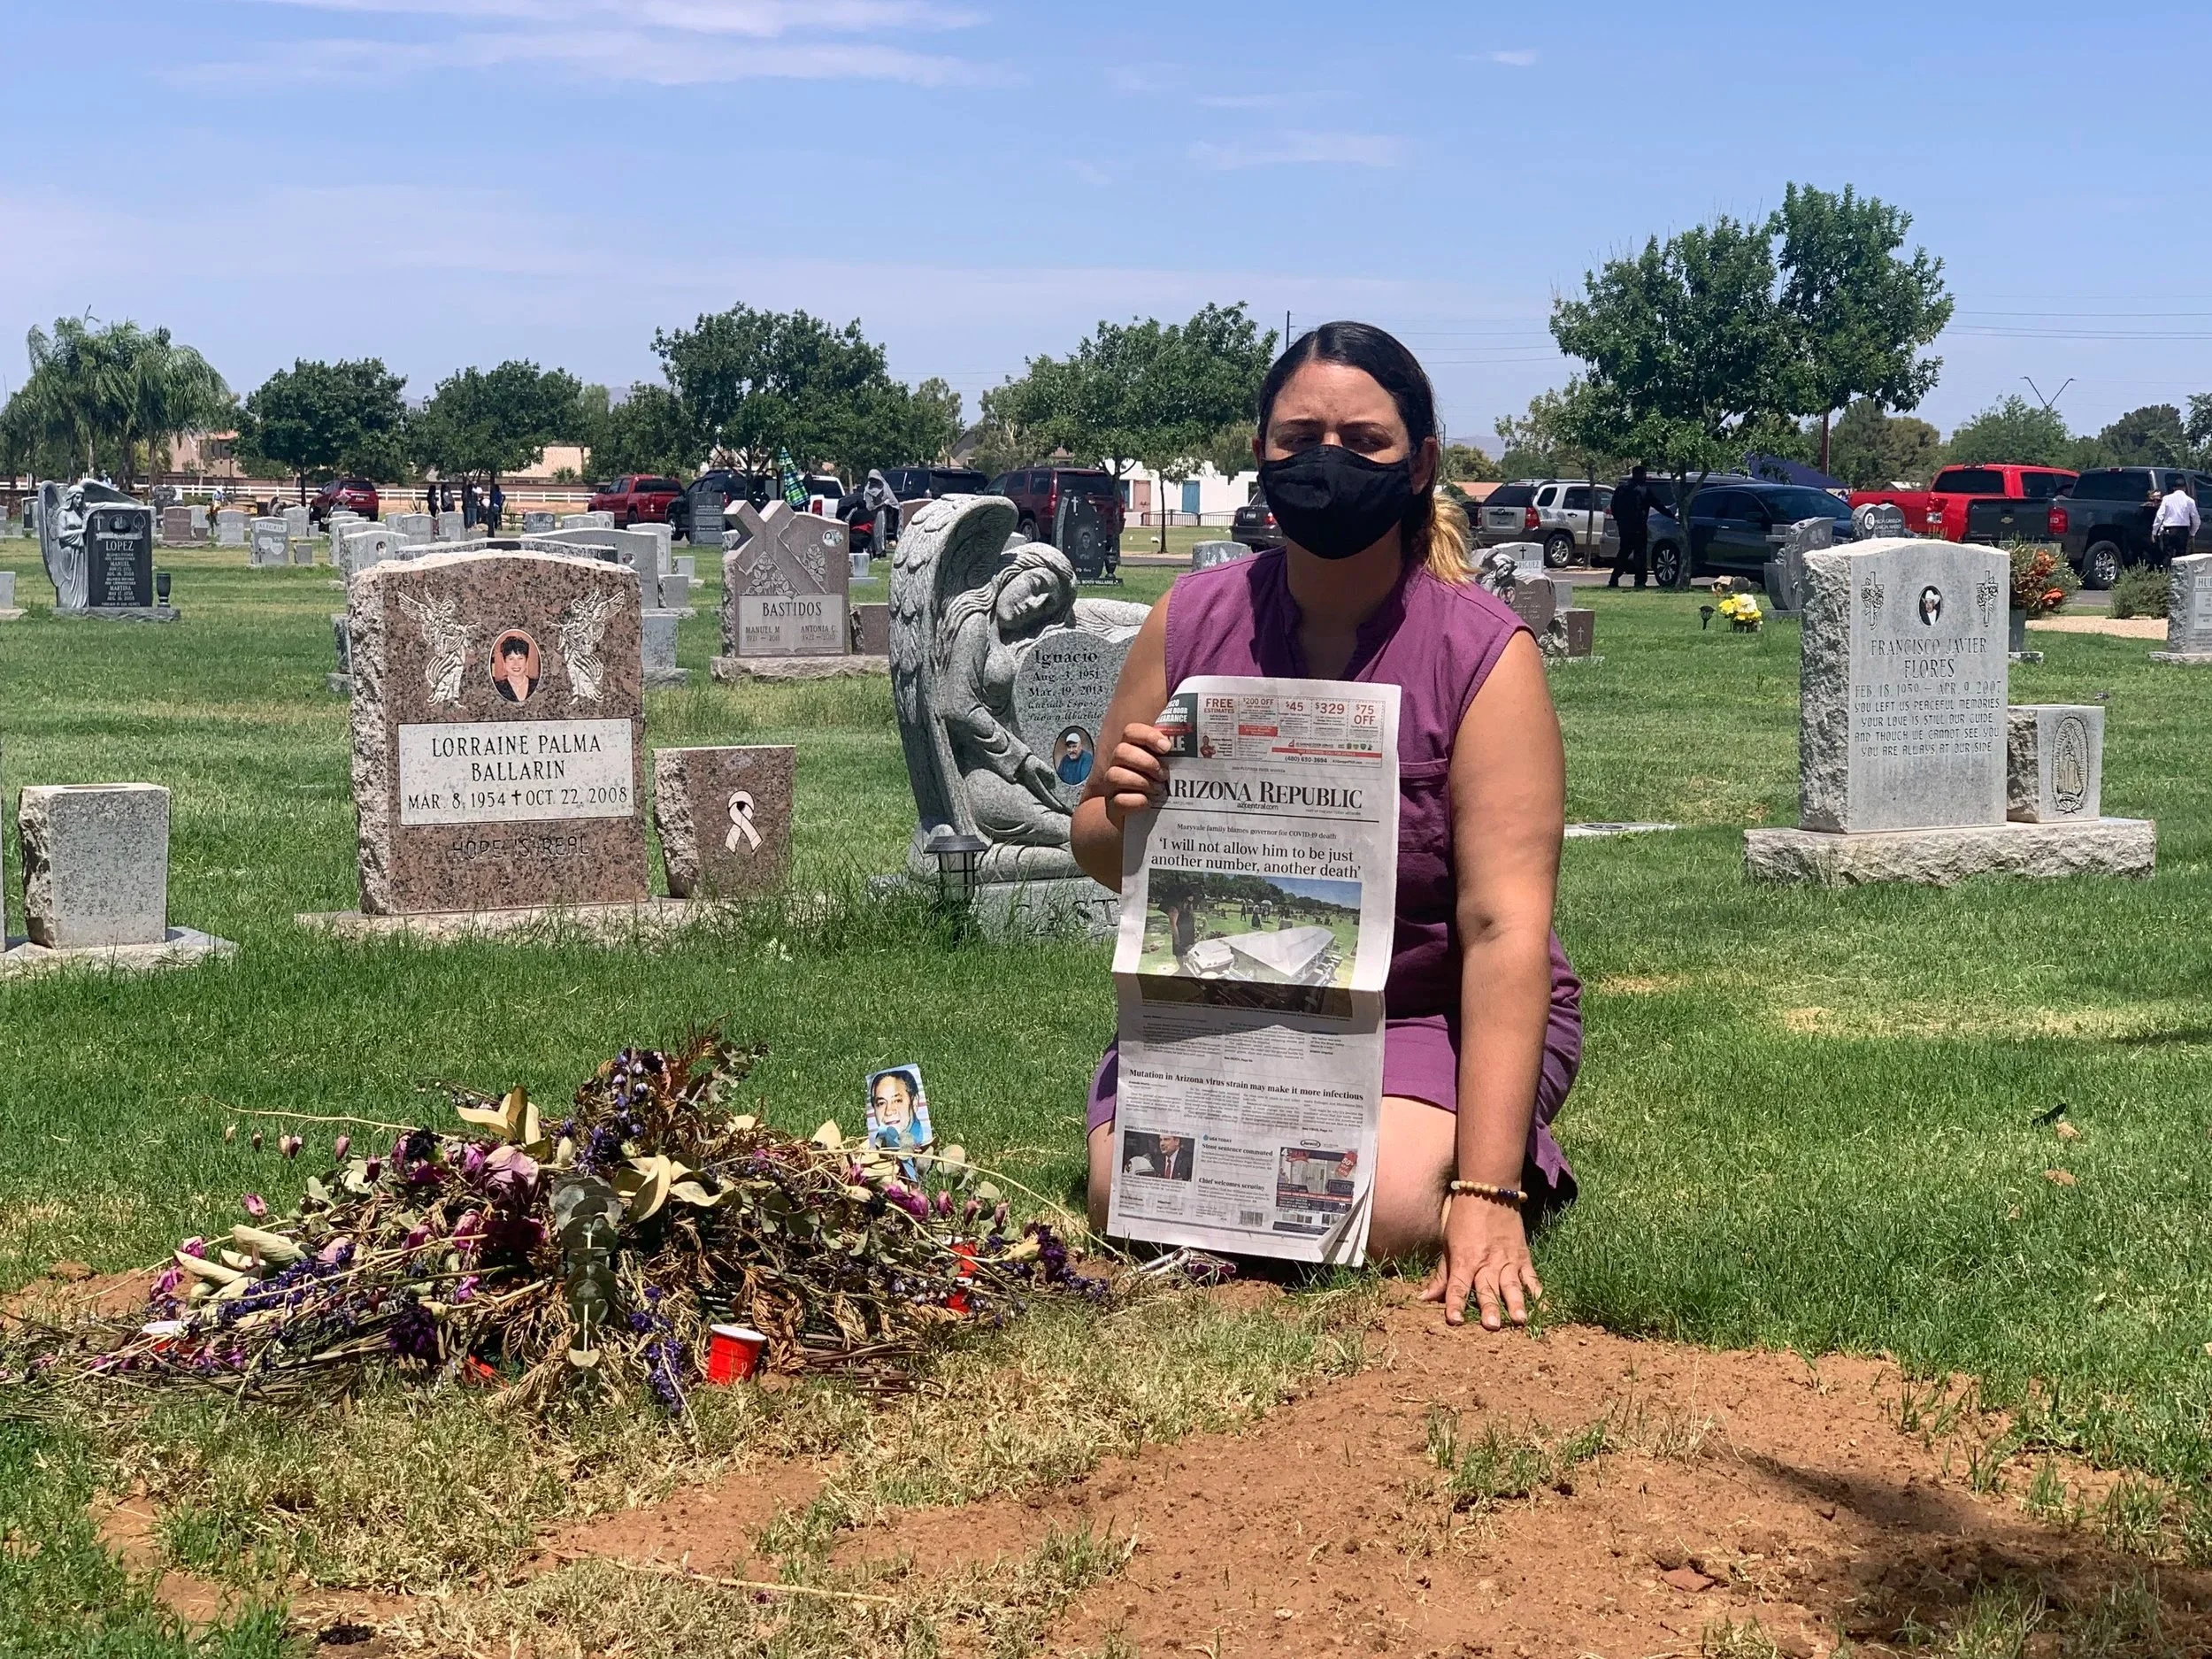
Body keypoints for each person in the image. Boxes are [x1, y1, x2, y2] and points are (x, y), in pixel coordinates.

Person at [1073, 321, 1583, 1333]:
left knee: (1381, 1203)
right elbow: (1094, 844)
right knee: (1126, 1196)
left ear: (1420, 465)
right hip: (1227, 1005)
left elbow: (1503, 929)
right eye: (1298, 438)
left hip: (1426, 1010)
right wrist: (1122, 810)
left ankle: (1470, 1137)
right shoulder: (1186, 620)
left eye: (1364, 442)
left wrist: (1482, 1197)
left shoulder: (1485, 653)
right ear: (1260, 455)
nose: (1326, 464)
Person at [1609, 464, 1660, 588]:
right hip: (1639, 527)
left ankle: (1614, 578)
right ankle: (1640, 581)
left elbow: (1613, 506)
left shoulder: (1621, 488)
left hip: (1624, 527)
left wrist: (1619, 520)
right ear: (1641, 475)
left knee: (1624, 552)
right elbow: (1658, 505)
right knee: (1640, 555)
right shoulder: (1643, 489)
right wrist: (1671, 515)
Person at [2154, 476, 2198, 565]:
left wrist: (2155, 531)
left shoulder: (2167, 499)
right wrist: (2193, 533)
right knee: (2181, 556)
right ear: (2185, 488)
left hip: (2169, 530)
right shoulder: (2190, 501)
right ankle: (2179, 577)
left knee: (2167, 554)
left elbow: (2160, 516)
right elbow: (2196, 519)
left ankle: (2165, 576)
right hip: (2183, 530)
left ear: (2173, 488)